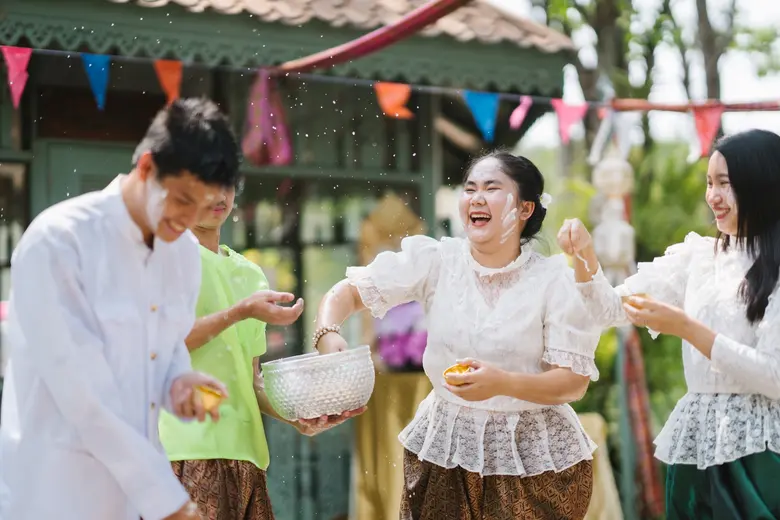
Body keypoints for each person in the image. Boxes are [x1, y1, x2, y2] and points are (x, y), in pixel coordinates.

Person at [314, 151, 600, 520]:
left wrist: (503, 383)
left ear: (525, 209)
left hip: (532, 460)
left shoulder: (555, 279)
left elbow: (572, 382)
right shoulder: (437, 261)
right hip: (445, 448)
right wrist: (327, 333)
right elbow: (348, 292)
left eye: (492, 188)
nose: (476, 198)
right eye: (470, 189)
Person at [0, 98, 241, 520]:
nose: (189, 218)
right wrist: (171, 504)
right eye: (182, 199)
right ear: (147, 168)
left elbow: (165, 352)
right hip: (53, 494)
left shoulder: (182, 254)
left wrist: (181, 383)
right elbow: (84, 395)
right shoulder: (59, 242)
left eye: (202, 206)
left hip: (130, 503)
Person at [558, 128, 780, 519]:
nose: (712, 196)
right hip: (696, 446)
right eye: (710, 183)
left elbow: (775, 377)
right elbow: (610, 309)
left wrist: (687, 328)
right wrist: (585, 257)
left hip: (760, 453)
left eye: (725, 184)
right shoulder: (696, 258)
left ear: (761, 185)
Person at [159, 182, 362, 519]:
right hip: (183, 451)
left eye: (226, 183)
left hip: (247, 457)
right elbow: (162, 346)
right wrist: (239, 312)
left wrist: (298, 416)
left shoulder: (251, 275)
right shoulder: (166, 257)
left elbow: (251, 383)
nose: (219, 195)